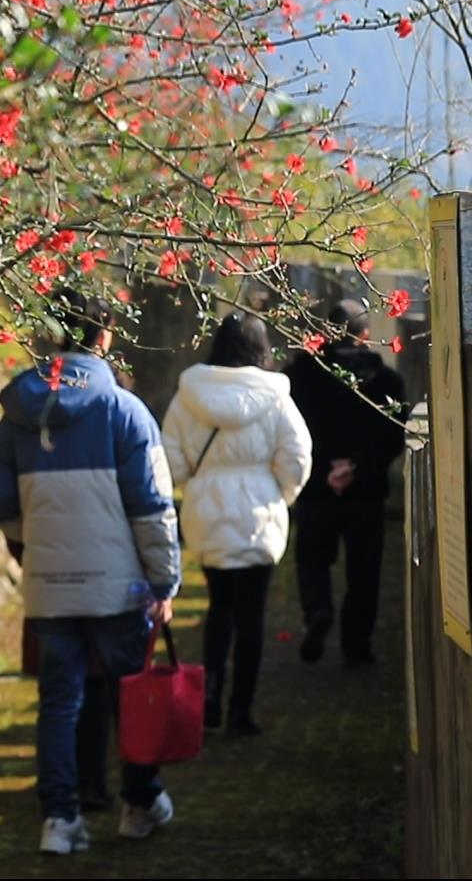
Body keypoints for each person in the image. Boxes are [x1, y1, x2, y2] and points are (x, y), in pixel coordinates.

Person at [0, 288, 181, 855]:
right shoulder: (124, 410)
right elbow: (150, 507)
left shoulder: (16, 415)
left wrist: (42, 543)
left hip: (49, 584)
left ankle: (60, 820)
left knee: (58, 702)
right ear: (104, 336)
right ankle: (139, 804)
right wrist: (164, 581)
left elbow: (2, 506)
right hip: (118, 587)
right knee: (131, 696)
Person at [161, 312, 311, 736]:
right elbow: (297, 456)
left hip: (206, 511)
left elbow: (169, 456)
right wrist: (280, 494)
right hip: (259, 514)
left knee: (219, 608)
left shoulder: (189, 394)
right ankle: (240, 711)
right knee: (251, 616)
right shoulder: (276, 397)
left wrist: (196, 481)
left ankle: (208, 698)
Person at [284, 299, 407, 667]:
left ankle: (319, 609)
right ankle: (357, 645)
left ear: (324, 334)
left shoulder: (299, 377)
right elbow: (393, 438)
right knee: (364, 572)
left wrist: (324, 469)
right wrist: (355, 467)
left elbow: (289, 433)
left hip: (315, 488)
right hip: (365, 492)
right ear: (365, 336)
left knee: (311, 561)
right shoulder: (387, 380)